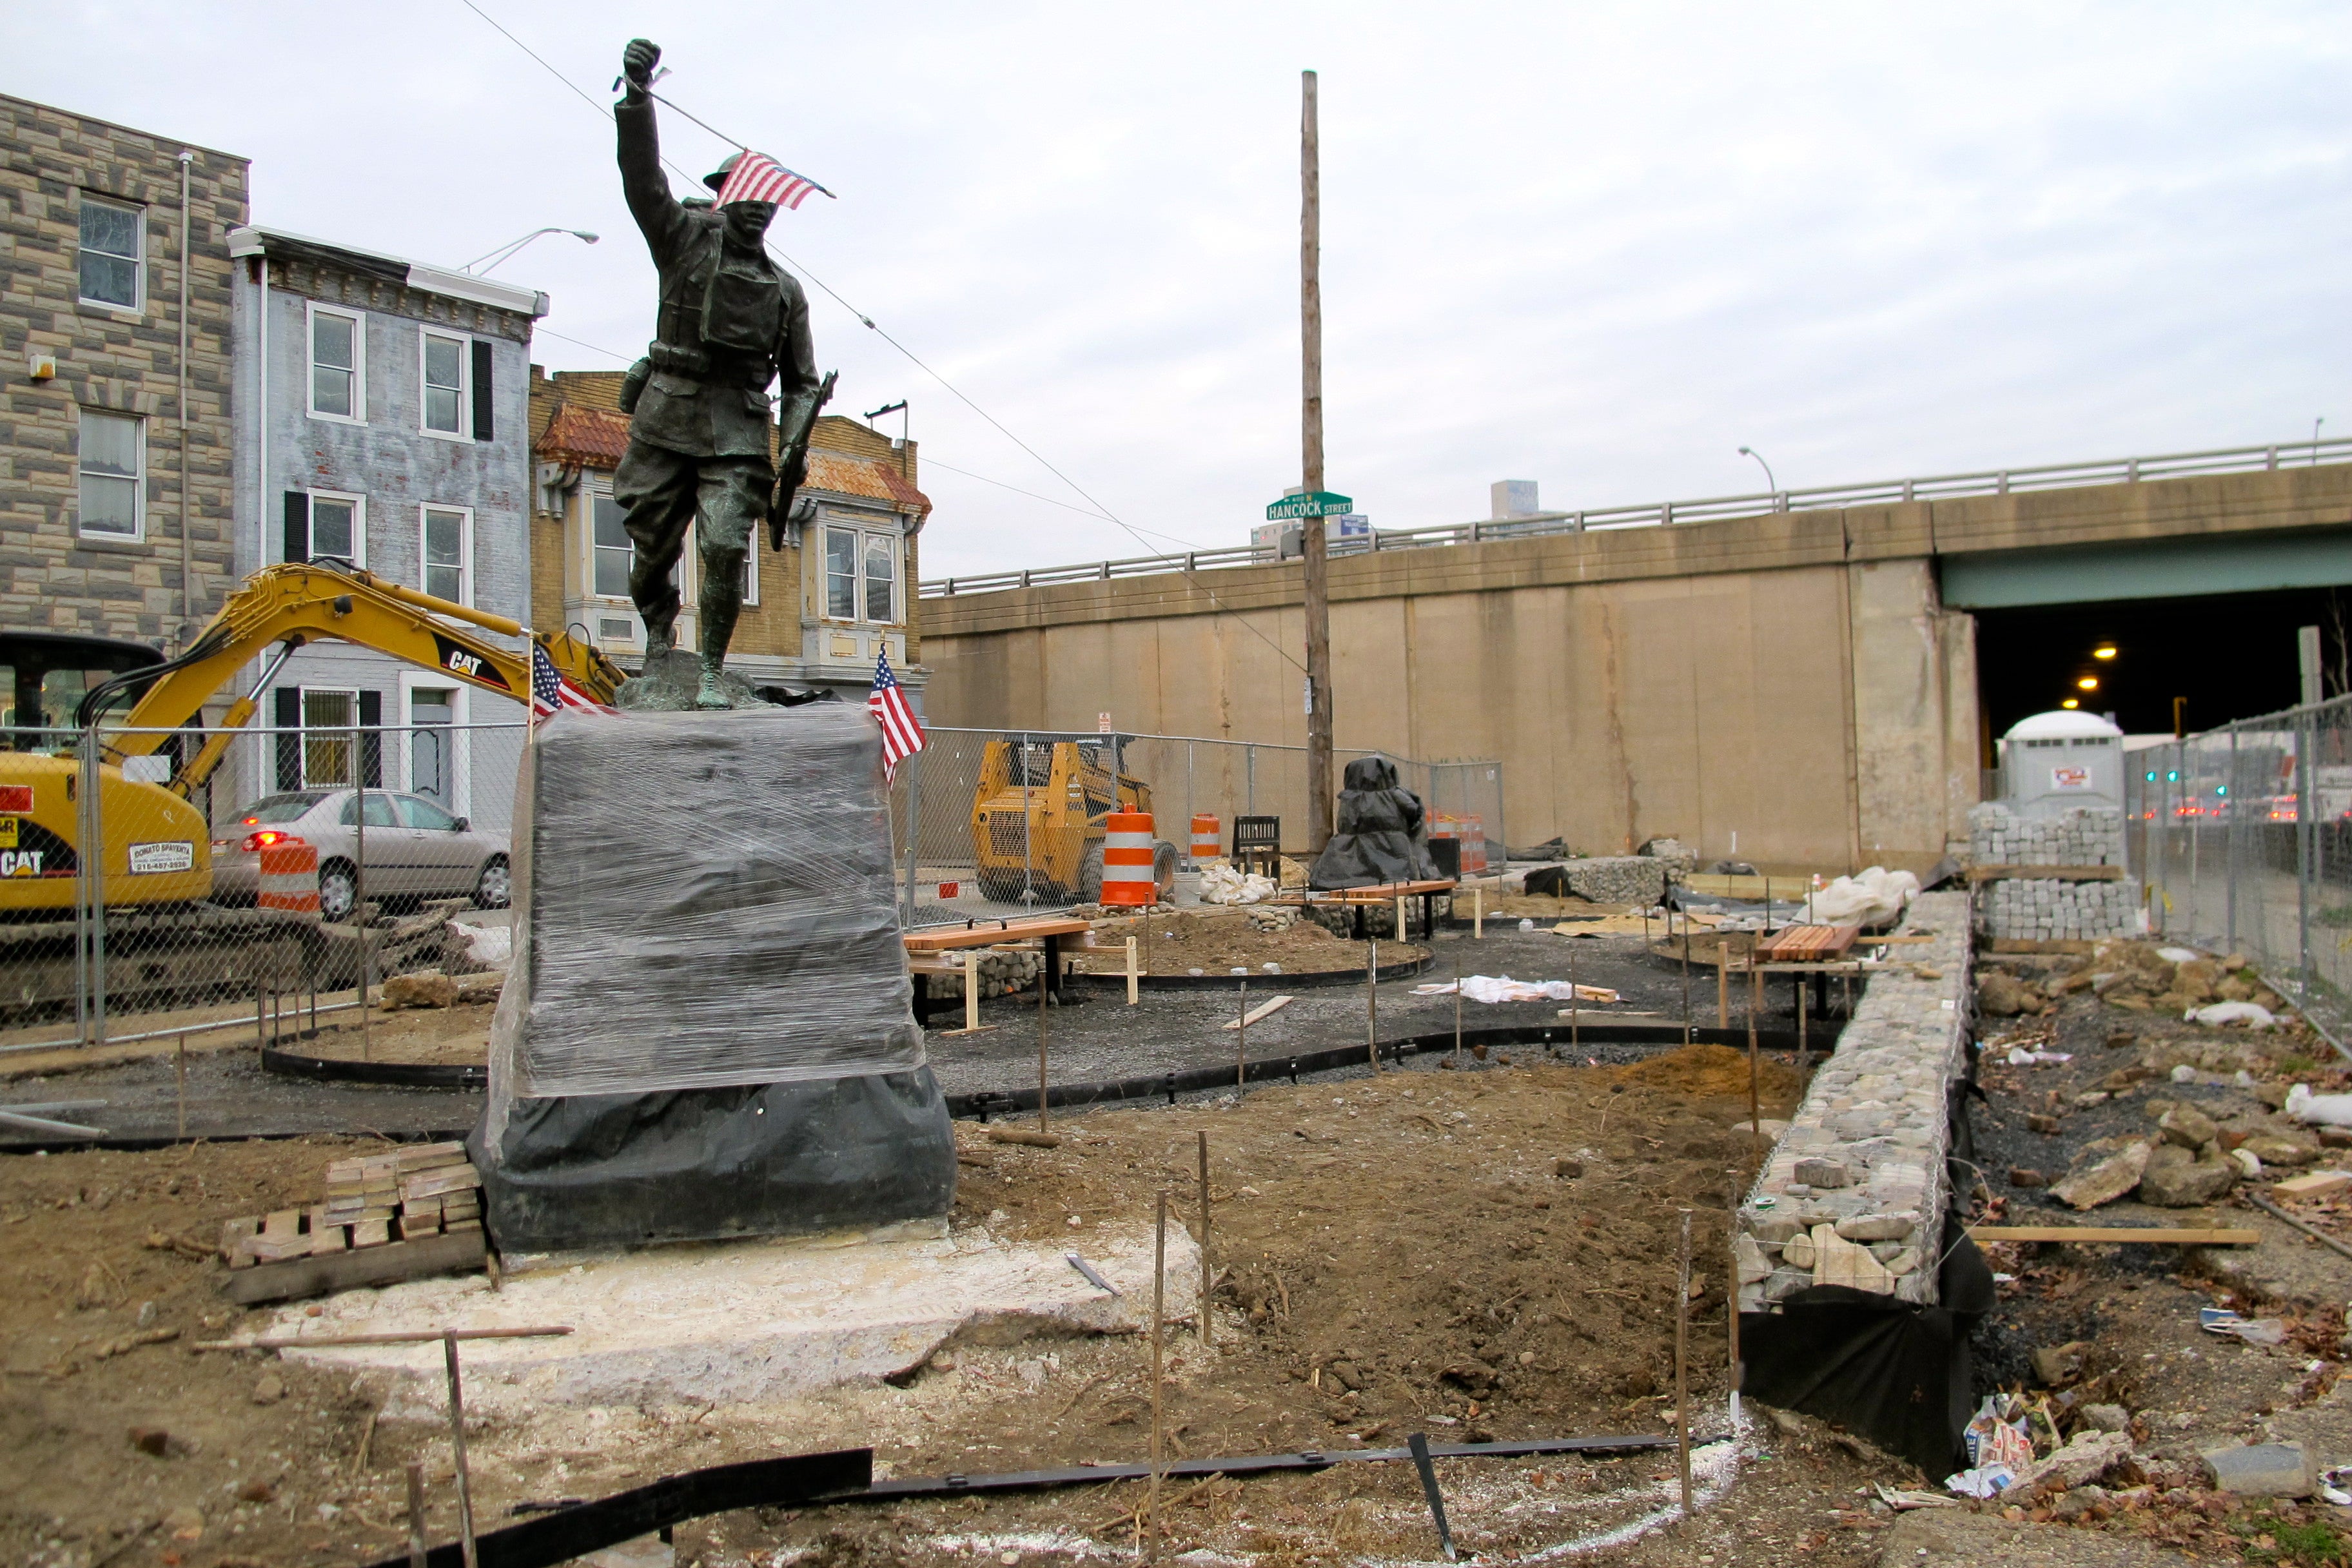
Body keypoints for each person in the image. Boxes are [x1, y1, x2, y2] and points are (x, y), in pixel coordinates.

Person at [612, 37, 823, 709]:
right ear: (725, 195)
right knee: (651, 545)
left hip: (736, 427)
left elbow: (803, 380)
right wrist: (639, 97)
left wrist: (794, 438)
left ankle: (709, 670)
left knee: (727, 545)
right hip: (668, 410)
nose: (761, 207)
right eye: (749, 195)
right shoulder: (681, 240)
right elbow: (641, 178)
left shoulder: (786, 290)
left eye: (770, 200)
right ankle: (656, 633)